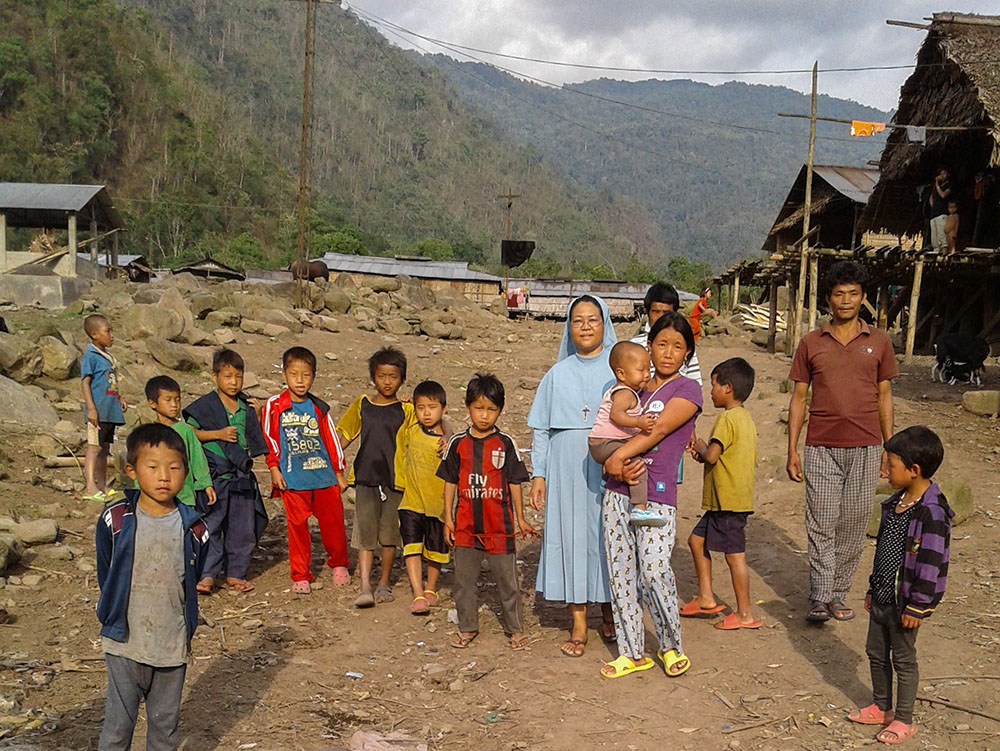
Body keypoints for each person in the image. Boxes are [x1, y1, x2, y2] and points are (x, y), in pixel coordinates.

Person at [787, 261, 897, 623]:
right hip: (820, 446)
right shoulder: (811, 343)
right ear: (828, 299)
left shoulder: (879, 342)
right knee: (821, 520)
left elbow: (884, 396)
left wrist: (889, 447)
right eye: (838, 294)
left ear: (863, 298)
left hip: (866, 447)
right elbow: (799, 398)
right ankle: (819, 596)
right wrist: (792, 449)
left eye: (853, 293)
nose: (845, 300)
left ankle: (838, 594)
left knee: (852, 521)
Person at [600, 311, 702, 679]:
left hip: (657, 494)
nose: (669, 353)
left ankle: (671, 645)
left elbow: (657, 431)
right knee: (622, 573)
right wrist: (611, 463)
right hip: (616, 491)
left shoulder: (688, 390)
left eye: (678, 346)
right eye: (662, 344)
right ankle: (631, 651)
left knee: (656, 569)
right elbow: (603, 427)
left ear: (688, 353)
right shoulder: (627, 387)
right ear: (650, 346)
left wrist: (618, 456)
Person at [95, 423, 209, 751]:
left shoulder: (194, 527)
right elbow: (107, 568)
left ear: (186, 472)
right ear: (132, 471)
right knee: (118, 728)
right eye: (153, 467)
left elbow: (192, 573)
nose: (164, 476)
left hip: (171, 644)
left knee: (164, 728)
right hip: (125, 644)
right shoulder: (116, 518)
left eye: (174, 468)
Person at [528, 295, 623, 658]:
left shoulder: (619, 370)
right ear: (569, 327)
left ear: (605, 324)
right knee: (571, 539)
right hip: (566, 465)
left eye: (593, 320)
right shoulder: (557, 374)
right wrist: (540, 474)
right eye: (578, 320)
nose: (585, 326)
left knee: (608, 536)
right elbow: (542, 430)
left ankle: (611, 611)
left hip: (608, 463)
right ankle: (579, 622)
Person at [848, 426, 952, 745]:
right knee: (875, 652)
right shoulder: (894, 504)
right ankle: (882, 706)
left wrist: (919, 604)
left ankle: (904, 719)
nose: (885, 471)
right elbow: (883, 552)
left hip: (907, 603)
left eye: (890, 465)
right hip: (882, 595)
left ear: (914, 469)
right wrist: (871, 588)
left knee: (903, 659)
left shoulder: (931, 512)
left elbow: (931, 563)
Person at [440, 373, 535, 650]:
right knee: (464, 582)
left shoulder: (506, 443)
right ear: (468, 407)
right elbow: (450, 481)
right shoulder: (458, 443)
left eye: (491, 409)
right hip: (466, 526)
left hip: (500, 527)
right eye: (479, 408)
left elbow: (515, 482)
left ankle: (515, 630)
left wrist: (520, 518)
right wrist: (448, 518)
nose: (484, 415)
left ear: (500, 410)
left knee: (508, 583)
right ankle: (467, 627)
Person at [262, 347, 349, 594]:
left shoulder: (319, 407)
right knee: (297, 526)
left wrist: (339, 471)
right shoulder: (275, 405)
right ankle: (301, 574)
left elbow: (331, 440)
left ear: (313, 377)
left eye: (306, 375)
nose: (300, 381)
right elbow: (269, 437)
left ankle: (339, 563)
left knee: (333, 523)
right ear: (284, 375)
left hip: (323, 476)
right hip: (292, 477)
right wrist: (273, 467)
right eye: (294, 374)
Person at [184, 348, 268, 595]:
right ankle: (208, 574)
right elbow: (191, 434)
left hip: (240, 475)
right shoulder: (205, 407)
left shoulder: (245, 406)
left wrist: (258, 415)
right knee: (212, 525)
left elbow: (254, 439)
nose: (234, 382)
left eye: (238, 377)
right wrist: (217, 434)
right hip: (215, 474)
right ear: (214, 377)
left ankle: (235, 573)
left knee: (243, 526)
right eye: (228, 376)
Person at [686, 357, 761, 630]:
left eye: (714, 384)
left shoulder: (726, 419)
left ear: (727, 387)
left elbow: (714, 456)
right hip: (726, 499)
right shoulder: (746, 419)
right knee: (696, 540)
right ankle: (706, 597)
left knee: (734, 555)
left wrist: (701, 445)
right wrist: (702, 453)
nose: (711, 390)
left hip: (728, 501)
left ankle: (744, 613)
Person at [337, 346, 414, 608]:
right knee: (365, 535)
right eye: (382, 376)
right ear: (373, 377)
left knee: (390, 536)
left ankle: (384, 582)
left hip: (395, 481)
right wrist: (334, 467)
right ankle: (365, 586)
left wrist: (445, 435)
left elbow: (433, 425)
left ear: (402, 378)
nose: (387, 382)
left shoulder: (407, 410)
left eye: (393, 376)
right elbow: (343, 437)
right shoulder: (363, 405)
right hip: (366, 478)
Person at [587, 341, 658, 525]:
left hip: (601, 443)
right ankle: (640, 508)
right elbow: (616, 415)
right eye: (641, 370)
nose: (646, 375)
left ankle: (605, 481)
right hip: (605, 442)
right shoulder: (625, 393)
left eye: (648, 370)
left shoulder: (622, 390)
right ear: (621, 373)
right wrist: (638, 422)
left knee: (628, 449)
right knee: (637, 465)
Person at [397, 380, 450, 615]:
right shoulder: (411, 429)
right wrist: (407, 403)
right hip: (411, 501)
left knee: (436, 549)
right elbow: (395, 409)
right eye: (421, 407)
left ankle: (431, 588)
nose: (426, 413)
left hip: (437, 505)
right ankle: (417, 591)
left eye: (432, 407)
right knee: (412, 547)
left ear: (443, 409)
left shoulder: (448, 443)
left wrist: (448, 436)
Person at [143, 376, 217, 509]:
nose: (174, 405)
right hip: (155, 498)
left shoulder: (186, 430)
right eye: (168, 400)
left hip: (185, 497)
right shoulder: (148, 433)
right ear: (152, 403)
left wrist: (206, 484)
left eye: (177, 400)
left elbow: (197, 458)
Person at [81, 314, 126, 503]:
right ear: (94, 334)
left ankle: (102, 485)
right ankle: (90, 486)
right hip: (97, 411)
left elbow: (110, 382)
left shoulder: (107, 358)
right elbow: (85, 383)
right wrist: (91, 408)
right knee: (94, 448)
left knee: (105, 448)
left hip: (110, 410)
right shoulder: (90, 357)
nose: (112, 335)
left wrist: (120, 399)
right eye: (108, 331)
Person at [630, 282, 702, 384]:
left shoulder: (683, 345)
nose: (660, 317)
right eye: (655, 312)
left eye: (666, 313)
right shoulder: (634, 345)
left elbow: (695, 385)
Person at [927, 167, 952, 251]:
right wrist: (933, 205)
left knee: (943, 239)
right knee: (935, 240)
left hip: (942, 213)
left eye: (944, 174)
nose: (942, 176)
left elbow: (943, 195)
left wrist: (937, 185)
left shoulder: (948, 185)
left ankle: (944, 253)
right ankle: (936, 253)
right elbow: (931, 197)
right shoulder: (936, 187)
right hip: (934, 214)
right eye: (941, 174)